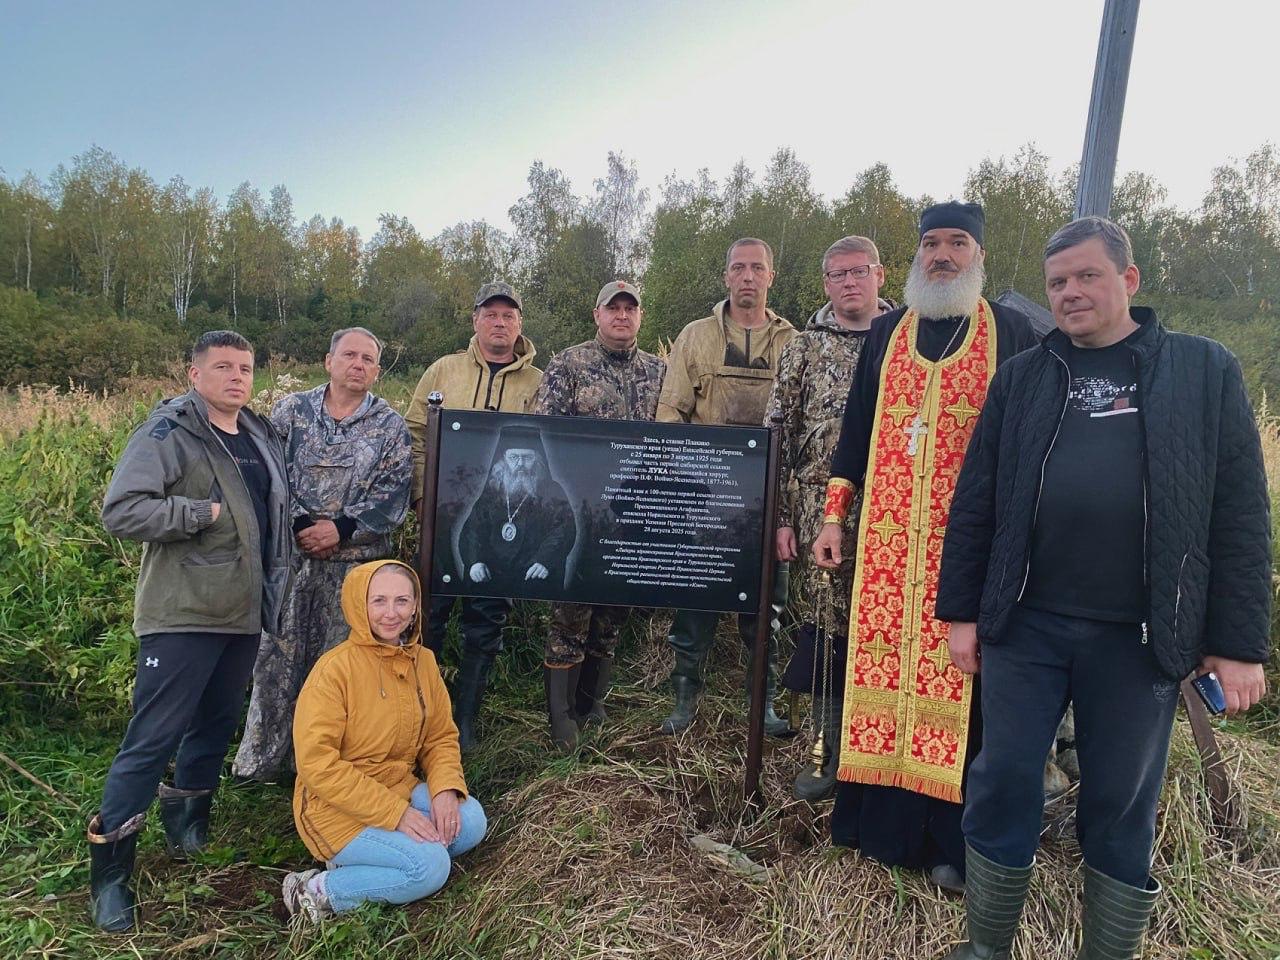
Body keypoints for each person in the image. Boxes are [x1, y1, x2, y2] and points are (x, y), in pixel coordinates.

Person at [935, 217, 1272, 960]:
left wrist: (1239, 644)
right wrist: (959, 612)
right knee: (1002, 781)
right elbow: (977, 501)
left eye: (1087, 276)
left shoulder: (1202, 371)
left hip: (1141, 637)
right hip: (1026, 626)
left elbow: (1242, 515)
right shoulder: (1023, 378)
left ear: (1129, 280)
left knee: (1120, 803)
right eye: (1058, 282)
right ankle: (986, 947)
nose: (1070, 293)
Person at [812, 202, 1036, 890]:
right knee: (878, 673)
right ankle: (876, 830)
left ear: (980, 255)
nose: (942, 254)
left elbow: (1030, 439)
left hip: (970, 547)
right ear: (915, 256)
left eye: (958, 243)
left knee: (963, 686)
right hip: (884, 545)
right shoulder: (888, 331)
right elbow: (854, 431)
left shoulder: (1013, 331)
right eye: (932, 243)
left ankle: (952, 843)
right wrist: (833, 518)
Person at [89, 330, 291, 932]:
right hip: (182, 612)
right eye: (223, 367)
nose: (237, 377)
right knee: (153, 736)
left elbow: (265, 511)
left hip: (241, 612)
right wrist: (197, 514)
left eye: (246, 367)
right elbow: (121, 509)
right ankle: (111, 876)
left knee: (216, 722)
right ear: (194, 374)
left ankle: (188, 828)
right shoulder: (170, 433)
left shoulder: (257, 434)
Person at [233, 326, 412, 782]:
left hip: (356, 572)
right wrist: (299, 525)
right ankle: (262, 765)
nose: (359, 364)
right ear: (329, 360)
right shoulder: (291, 412)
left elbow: (395, 496)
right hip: (293, 564)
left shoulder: (389, 424)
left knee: (340, 669)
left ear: (376, 370)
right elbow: (267, 477)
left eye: (369, 359)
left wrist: (342, 529)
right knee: (276, 659)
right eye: (350, 355)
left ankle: (322, 769)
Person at [282, 560, 487, 920]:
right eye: (378, 601)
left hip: (397, 787)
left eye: (402, 601)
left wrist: (444, 789)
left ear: (414, 607)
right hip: (335, 809)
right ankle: (316, 891)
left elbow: (439, 737)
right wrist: (396, 815)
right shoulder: (334, 670)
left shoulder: (423, 661)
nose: (391, 613)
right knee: (430, 867)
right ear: (358, 605)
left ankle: (380, 863)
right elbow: (317, 765)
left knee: (470, 821)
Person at [768, 236, 894, 800]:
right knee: (825, 634)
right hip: (820, 519)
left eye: (859, 272)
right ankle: (826, 751)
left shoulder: (910, 339)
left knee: (883, 633)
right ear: (825, 283)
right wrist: (780, 518)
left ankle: (880, 754)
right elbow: (778, 434)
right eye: (838, 274)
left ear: (880, 276)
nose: (850, 282)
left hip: (894, 517)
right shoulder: (803, 347)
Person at [656, 238, 796, 737]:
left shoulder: (790, 341)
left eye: (758, 267)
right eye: (738, 268)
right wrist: (683, 485)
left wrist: (786, 508)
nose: (748, 277)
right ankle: (684, 696)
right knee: (695, 604)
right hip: (705, 499)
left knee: (766, 609)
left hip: (766, 500)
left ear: (770, 277)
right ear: (726, 276)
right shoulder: (694, 337)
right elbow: (670, 414)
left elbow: (798, 426)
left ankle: (764, 702)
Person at [405, 281, 542, 750]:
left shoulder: (538, 382)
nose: (499, 323)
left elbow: (545, 453)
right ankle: (418, 716)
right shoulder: (443, 369)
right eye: (490, 314)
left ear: (519, 324)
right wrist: (422, 495)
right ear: (475, 320)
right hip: (443, 515)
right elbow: (415, 431)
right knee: (430, 615)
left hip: (504, 521)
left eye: (508, 316)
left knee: (486, 621)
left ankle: (465, 721)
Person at [531, 280, 666, 749]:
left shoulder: (659, 371)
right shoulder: (568, 364)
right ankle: (563, 715)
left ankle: (594, 700)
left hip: (634, 513)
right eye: (614, 308)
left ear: (640, 316)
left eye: (631, 308)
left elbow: (670, 442)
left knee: (613, 608)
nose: (622, 316)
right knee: (571, 609)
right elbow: (544, 435)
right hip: (580, 509)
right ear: (597, 314)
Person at [457, 423, 575, 596]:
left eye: (527, 458)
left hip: (533, 575)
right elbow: (474, 528)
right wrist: (476, 561)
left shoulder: (552, 491)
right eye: (514, 457)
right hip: (493, 576)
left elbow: (563, 530)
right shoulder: (493, 490)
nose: (520, 464)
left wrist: (544, 561)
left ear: (537, 459)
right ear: (503, 458)